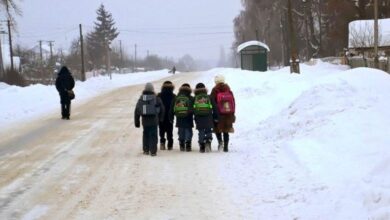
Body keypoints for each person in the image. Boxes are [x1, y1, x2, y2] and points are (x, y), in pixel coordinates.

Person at [134, 83, 165, 156]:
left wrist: (137, 121)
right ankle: (153, 151)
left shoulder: (141, 98)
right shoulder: (156, 98)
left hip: (145, 120)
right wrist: (161, 118)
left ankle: (146, 150)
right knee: (153, 135)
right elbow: (162, 109)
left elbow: (137, 110)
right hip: (154, 120)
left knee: (146, 134)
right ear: (152, 89)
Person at [210, 74, 236, 152]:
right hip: (228, 113)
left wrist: (214, 112)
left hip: (218, 113)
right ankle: (226, 147)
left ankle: (220, 142)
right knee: (226, 130)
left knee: (217, 129)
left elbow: (212, 102)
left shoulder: (214, 90)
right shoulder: (228, 90)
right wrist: (233, 113)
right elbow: (233, 102)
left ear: (216, 82)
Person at [193, 83, 218, 153]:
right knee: (208, 130)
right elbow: (215, 108)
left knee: (201, 131)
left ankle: (201, 145)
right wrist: (216, 117)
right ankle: (208, 142)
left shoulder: (195, 98)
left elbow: (191, 109)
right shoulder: (209, 97)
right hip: (208, 116)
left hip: (198, 117)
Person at [170, 83, 194, 152]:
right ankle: (188, 144)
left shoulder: (176, 98)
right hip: (188, 118)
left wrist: (171, 117)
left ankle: (182, 144)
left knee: (181, 131)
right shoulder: (191, 98)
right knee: (188, 131)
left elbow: (171, 108)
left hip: (179, 117)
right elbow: (194, 109)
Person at [157, 81, 176, 150]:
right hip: (170, 116)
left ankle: (162, 142)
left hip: (161, 116)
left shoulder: (159, 95)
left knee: (161, 129)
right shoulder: (174, 96)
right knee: (169, 130)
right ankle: (170, 144)